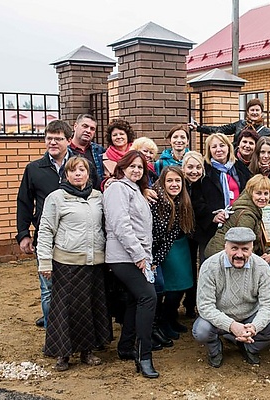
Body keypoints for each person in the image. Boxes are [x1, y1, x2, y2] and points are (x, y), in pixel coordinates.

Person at [16, 120, 95, 329]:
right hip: (47, 238)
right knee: (48, 289)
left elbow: (95, 195)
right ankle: (53, 333)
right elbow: (24, 202)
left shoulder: (83, 166)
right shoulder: (34, 169)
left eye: (58, 138)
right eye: (49, 138)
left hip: (76, 240)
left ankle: (73, 331)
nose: (53, 142)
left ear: (69, 140)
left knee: (74, 290)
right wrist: (23, 234)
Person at [37, 156, 110, 371]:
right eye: (73, 170)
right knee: (65, 309)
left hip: (94, 263)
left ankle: (87, 351)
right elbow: (46, 230)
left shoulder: (98, 197)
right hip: (67, 263)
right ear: (66, 175)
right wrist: (45, 262)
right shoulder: (56, 198)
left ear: (88, 174)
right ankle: (63, 354)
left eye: (82, 170)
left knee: (89, 308)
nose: (78, 174)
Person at [193, 227, 270, 367]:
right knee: (201, 330)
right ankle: (215, 350)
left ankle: (248, 347)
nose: (239, 254)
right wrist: (231, 325)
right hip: (220, 317)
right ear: (225, 247)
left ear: (252, 249)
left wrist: (254, 327)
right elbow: (205, 306)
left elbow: (269, 305)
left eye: (245, 249)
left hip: (250, 318)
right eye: (234, 248)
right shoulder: (210, 266)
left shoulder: (262, 267)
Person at [103, 150, 159, 378]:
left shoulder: (135, 190)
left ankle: (126, 346)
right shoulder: (117, 188)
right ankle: (144, 355)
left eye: (140, 167)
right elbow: (121, 225)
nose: (136, 170)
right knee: (148, 297)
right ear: (122, 167)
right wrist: (139, 256)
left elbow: (143, 230)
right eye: (132, 166)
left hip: (137, 255)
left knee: (136, 299)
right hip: (122, 256)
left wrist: (148, 259)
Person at [150, 167, 195, 342]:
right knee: (171, 288)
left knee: (183, 284)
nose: (174, 184)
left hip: (180, 244)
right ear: (163, 182)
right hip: (164, 249)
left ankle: (171, 317)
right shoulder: (157, 200)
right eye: (170, 180)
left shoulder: (181, 199)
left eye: (178, 180)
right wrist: (156, 259)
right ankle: (164, 321)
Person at [190, 133, 251, 261]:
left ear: (228, 147)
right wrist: (212, 217)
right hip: (211, 230)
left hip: (237, 225)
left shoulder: (239, 168)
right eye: (214, 147)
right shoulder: (203, 171)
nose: (218, 149)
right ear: (209, 151)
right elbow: (196, 201)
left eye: (222, 145)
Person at [204, 175, 270, 265]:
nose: (263, 197)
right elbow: (244, 245)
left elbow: (256, 240)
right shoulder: (246, 215)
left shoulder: (252, 209)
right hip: (221, 258)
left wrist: (269, 252)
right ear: (250, 193)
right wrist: (258, 261)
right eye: (258, 193)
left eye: (266, 193)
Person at [190, 98, 270, 148]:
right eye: (252, 110)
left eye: (257, 110)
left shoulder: (265, 131)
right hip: (236, 159)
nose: (254, 112)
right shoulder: (240, 124)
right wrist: (198, 128)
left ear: (261, 113)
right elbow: (220, 130)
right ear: (247, 112)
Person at [181, 151, 206, 318]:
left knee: (200, 267)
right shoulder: (179, 183)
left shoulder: (204, 184)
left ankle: (194, 304)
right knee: (188, 268)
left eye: (198, 167)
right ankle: (188, 304)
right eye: (190, 167)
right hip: (183, 233)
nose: (194, 171)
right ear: (183, 168)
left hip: (201, 230)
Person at [69, 114, 105, 186]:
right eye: (85, 126)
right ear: (75, 126)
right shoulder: (64, 150)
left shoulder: (99, 151)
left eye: (92, 129)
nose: (88, 131)